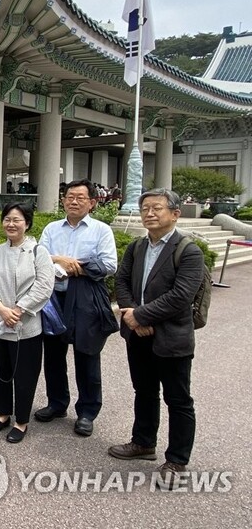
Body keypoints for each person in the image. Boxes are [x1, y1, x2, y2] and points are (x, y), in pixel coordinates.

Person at [111, 188, 204, 490]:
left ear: (175, 213)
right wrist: (131, 315)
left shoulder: (188, 250)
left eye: (157, 208)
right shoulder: (137, 246)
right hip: (137, 334)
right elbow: (121, 281)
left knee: (178, 399)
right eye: (145, 208)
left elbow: (181, 296)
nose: (149, 213)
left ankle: (177, 459)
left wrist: (141, 316)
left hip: (172, 337)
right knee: (144, 391)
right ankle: (143, 443)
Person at [35, 178, 118, 437]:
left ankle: (87, 412)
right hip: (54, 300)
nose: (73, 201)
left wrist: (73, 266)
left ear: (92, 202)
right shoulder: (51, 228)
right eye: (70, 196)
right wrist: (59, 259)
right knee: (53, 357)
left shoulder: (101, 230)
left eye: (80, 197)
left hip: (85, 300)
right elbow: (38, 256)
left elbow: (108, 265)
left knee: (87, 356)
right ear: (63, 200)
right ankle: (57, 404)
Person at [0, 202, 54, 443]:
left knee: (24, 374)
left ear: (27, 223)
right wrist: (1, 309)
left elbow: (44, 286)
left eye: (17, 220)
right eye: (7, 219)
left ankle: (21, 421)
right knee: (0, 371)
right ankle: (2, 414)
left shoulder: (38, 252)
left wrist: (19, 309)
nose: (11, 224)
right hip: (0, 323)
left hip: (27, 326)